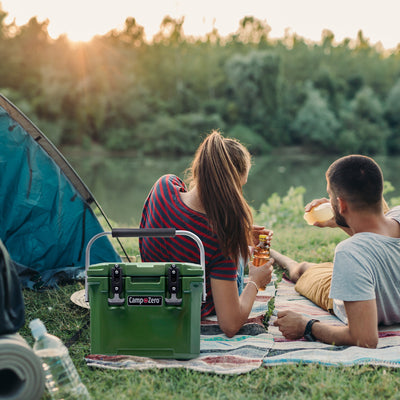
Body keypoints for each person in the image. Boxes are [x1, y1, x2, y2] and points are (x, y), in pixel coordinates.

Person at [139, 130, 274, 337]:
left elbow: (186, 223)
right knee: (236, 258)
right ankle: (245, 258)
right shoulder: (223, 235)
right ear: (231, 186)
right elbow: (229, 325)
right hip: (190, 306)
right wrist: (255, 281)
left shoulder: (164, 186)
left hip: (155, 292)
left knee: (231, 251)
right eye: (240, 186)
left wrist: (242, 235)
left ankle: (243, 251)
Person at [272, 154, 400, 348]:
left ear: (341, 204)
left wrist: (306, 326)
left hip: (343, 297)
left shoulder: (350, 253)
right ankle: (273, 253)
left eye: (330, 196)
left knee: (302, 270)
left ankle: (276, 255)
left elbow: (364, 338)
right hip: (366, 266)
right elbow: (377, 238)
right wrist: (340, 219)